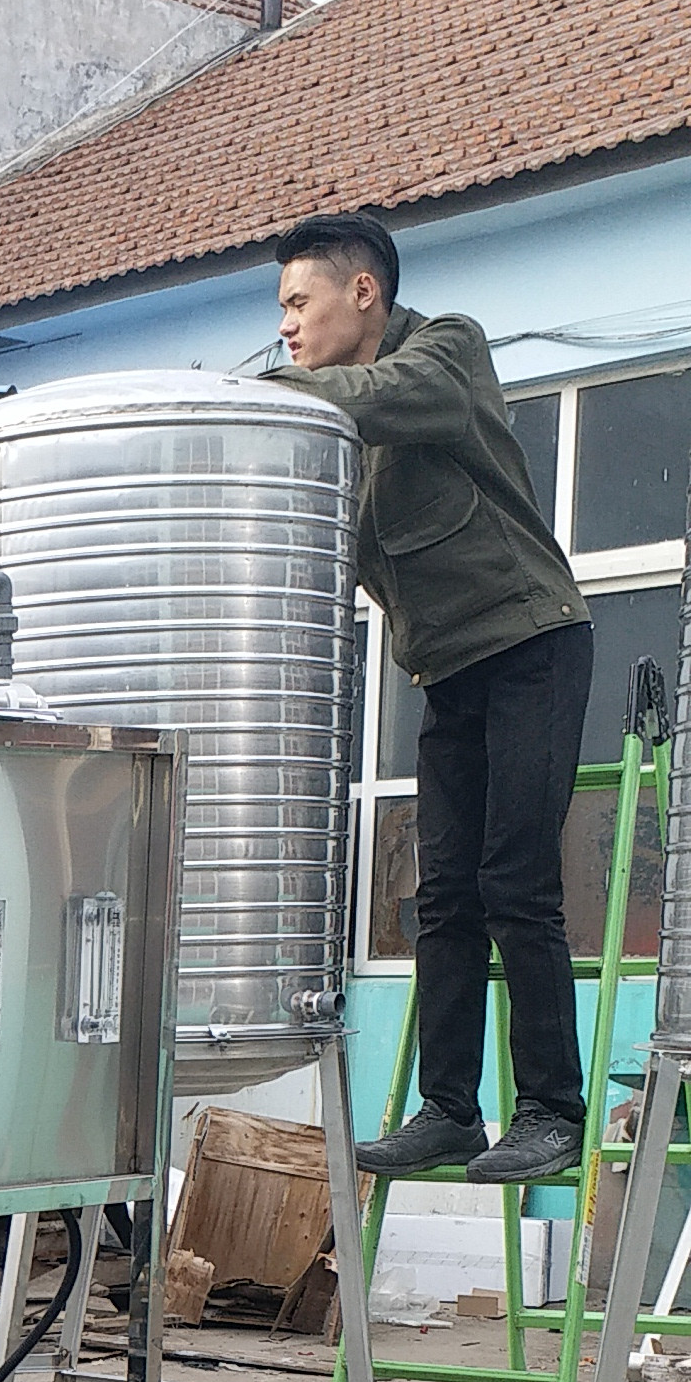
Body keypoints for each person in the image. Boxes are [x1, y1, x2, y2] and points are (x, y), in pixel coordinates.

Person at [266, 209, 593, 1183]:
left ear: (362, 290)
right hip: (447, 673)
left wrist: (264, 396)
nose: (285, 325)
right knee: (443, 896)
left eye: (299, 302)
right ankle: (450, 1109)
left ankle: (552, 1112)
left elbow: (388, 394)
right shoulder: (341, 438)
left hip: (531, 645)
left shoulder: (446, 350)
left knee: (515, 884)